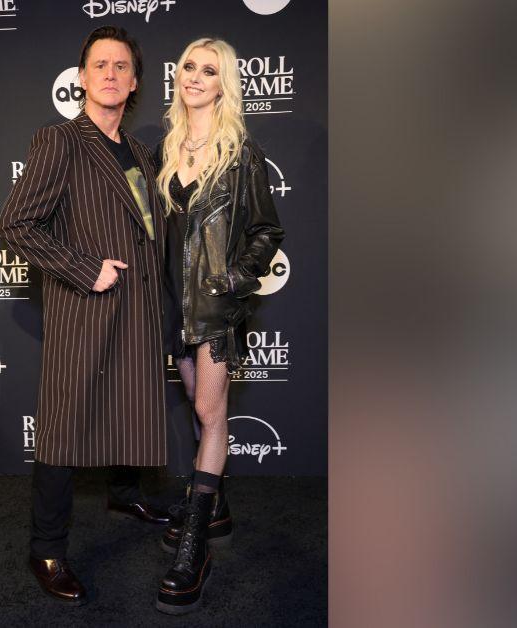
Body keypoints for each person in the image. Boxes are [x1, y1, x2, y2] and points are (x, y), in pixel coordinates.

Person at [0, 26, 170, 606]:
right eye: (101, 65)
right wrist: (83, 266)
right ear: (82, 77)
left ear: (136, 81)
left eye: (123, 66)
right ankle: (46, 549)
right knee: (65, 427)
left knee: (132, 403)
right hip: (85, 306)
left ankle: (124, 491)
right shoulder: (60, 140)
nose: (112, 74)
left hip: (138, 307)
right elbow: (16, 226)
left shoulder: (142, 153)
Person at [153, 37, 285, 615]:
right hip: (173, 308)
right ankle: (219, 509)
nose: (196, 77)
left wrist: (236, 279)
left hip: (215, 308)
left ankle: (193, 550)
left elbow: (267, 231)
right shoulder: (169, 144)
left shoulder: (241, 152)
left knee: (210, 414)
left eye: (210, 70)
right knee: (196, 407)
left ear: (225, 83)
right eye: (188, 67)